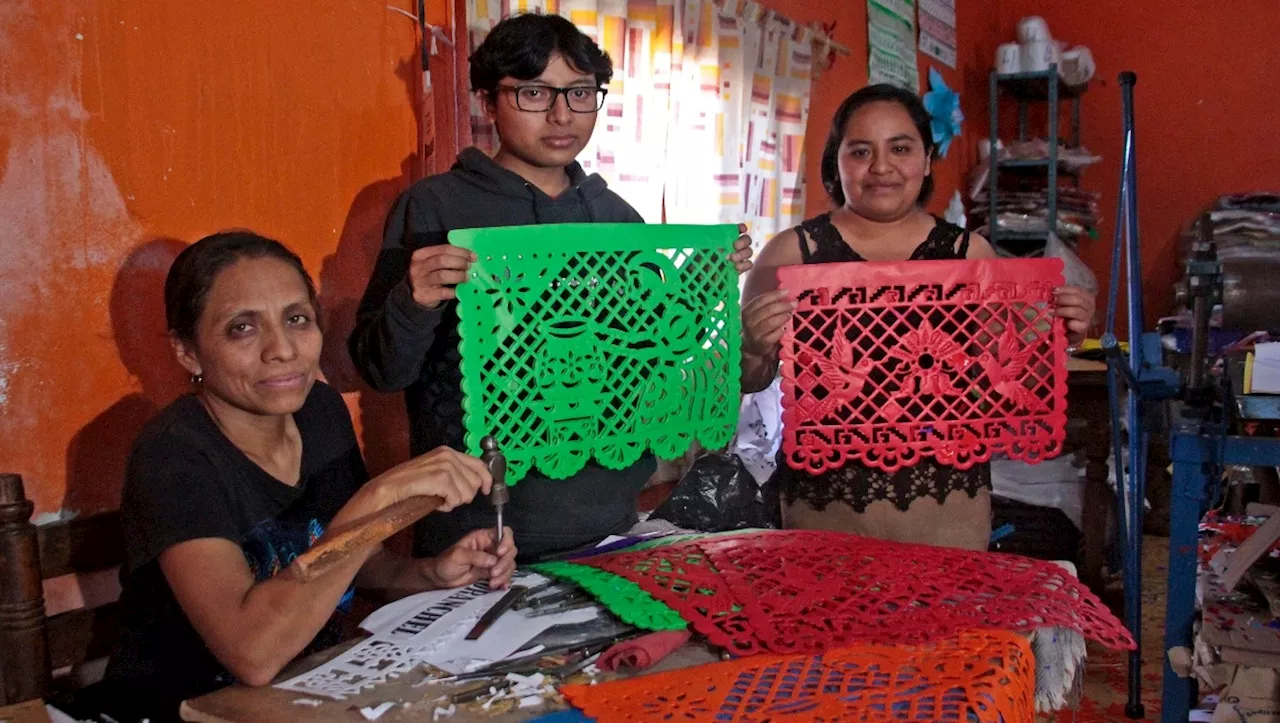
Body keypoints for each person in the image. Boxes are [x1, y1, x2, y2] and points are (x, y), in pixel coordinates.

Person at [349, 13, 751, 561]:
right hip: (477, 527)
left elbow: (644, 360)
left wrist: (703, 289)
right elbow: (381, 371)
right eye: (534, 93)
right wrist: (412, 301)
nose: (561, 114)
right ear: (489, 101)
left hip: (608, 513)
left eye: (580, 92)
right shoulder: (436, 207)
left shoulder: (619, 222)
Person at [99, 232, 516, 722]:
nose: (282, 350)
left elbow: (356, 562)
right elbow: (252, 653)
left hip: (300, 694)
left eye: (297, 319)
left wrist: (428, 573)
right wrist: (378, 496)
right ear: (188, 352)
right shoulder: (175, 456)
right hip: (182, 709)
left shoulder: (319, 412)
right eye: (241, 328)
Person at [739, 84, 1095, 551]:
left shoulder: (971, 256)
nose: (881, 167)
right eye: (861, 151)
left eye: (900, 148)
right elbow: (748, 380)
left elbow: (1008, 384)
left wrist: (1057, 336)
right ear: (837, 160)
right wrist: (753, 346)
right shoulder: (790, 255)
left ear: (926, 160)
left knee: (946, 623)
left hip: (947, 506)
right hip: (825, 506)